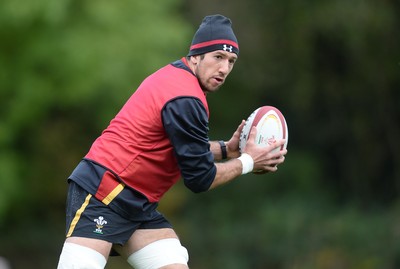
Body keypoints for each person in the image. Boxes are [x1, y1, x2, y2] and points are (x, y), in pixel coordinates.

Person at [57, 14, 287, 269]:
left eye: (231, 61)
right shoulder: (185, 97)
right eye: (217, 57)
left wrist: (227, 150)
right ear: (196, 55)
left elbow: (183, 148)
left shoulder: (178, 80)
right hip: (104, 191)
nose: (224, 68)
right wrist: (248, 161)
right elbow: (200, 178)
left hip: (136, 203)